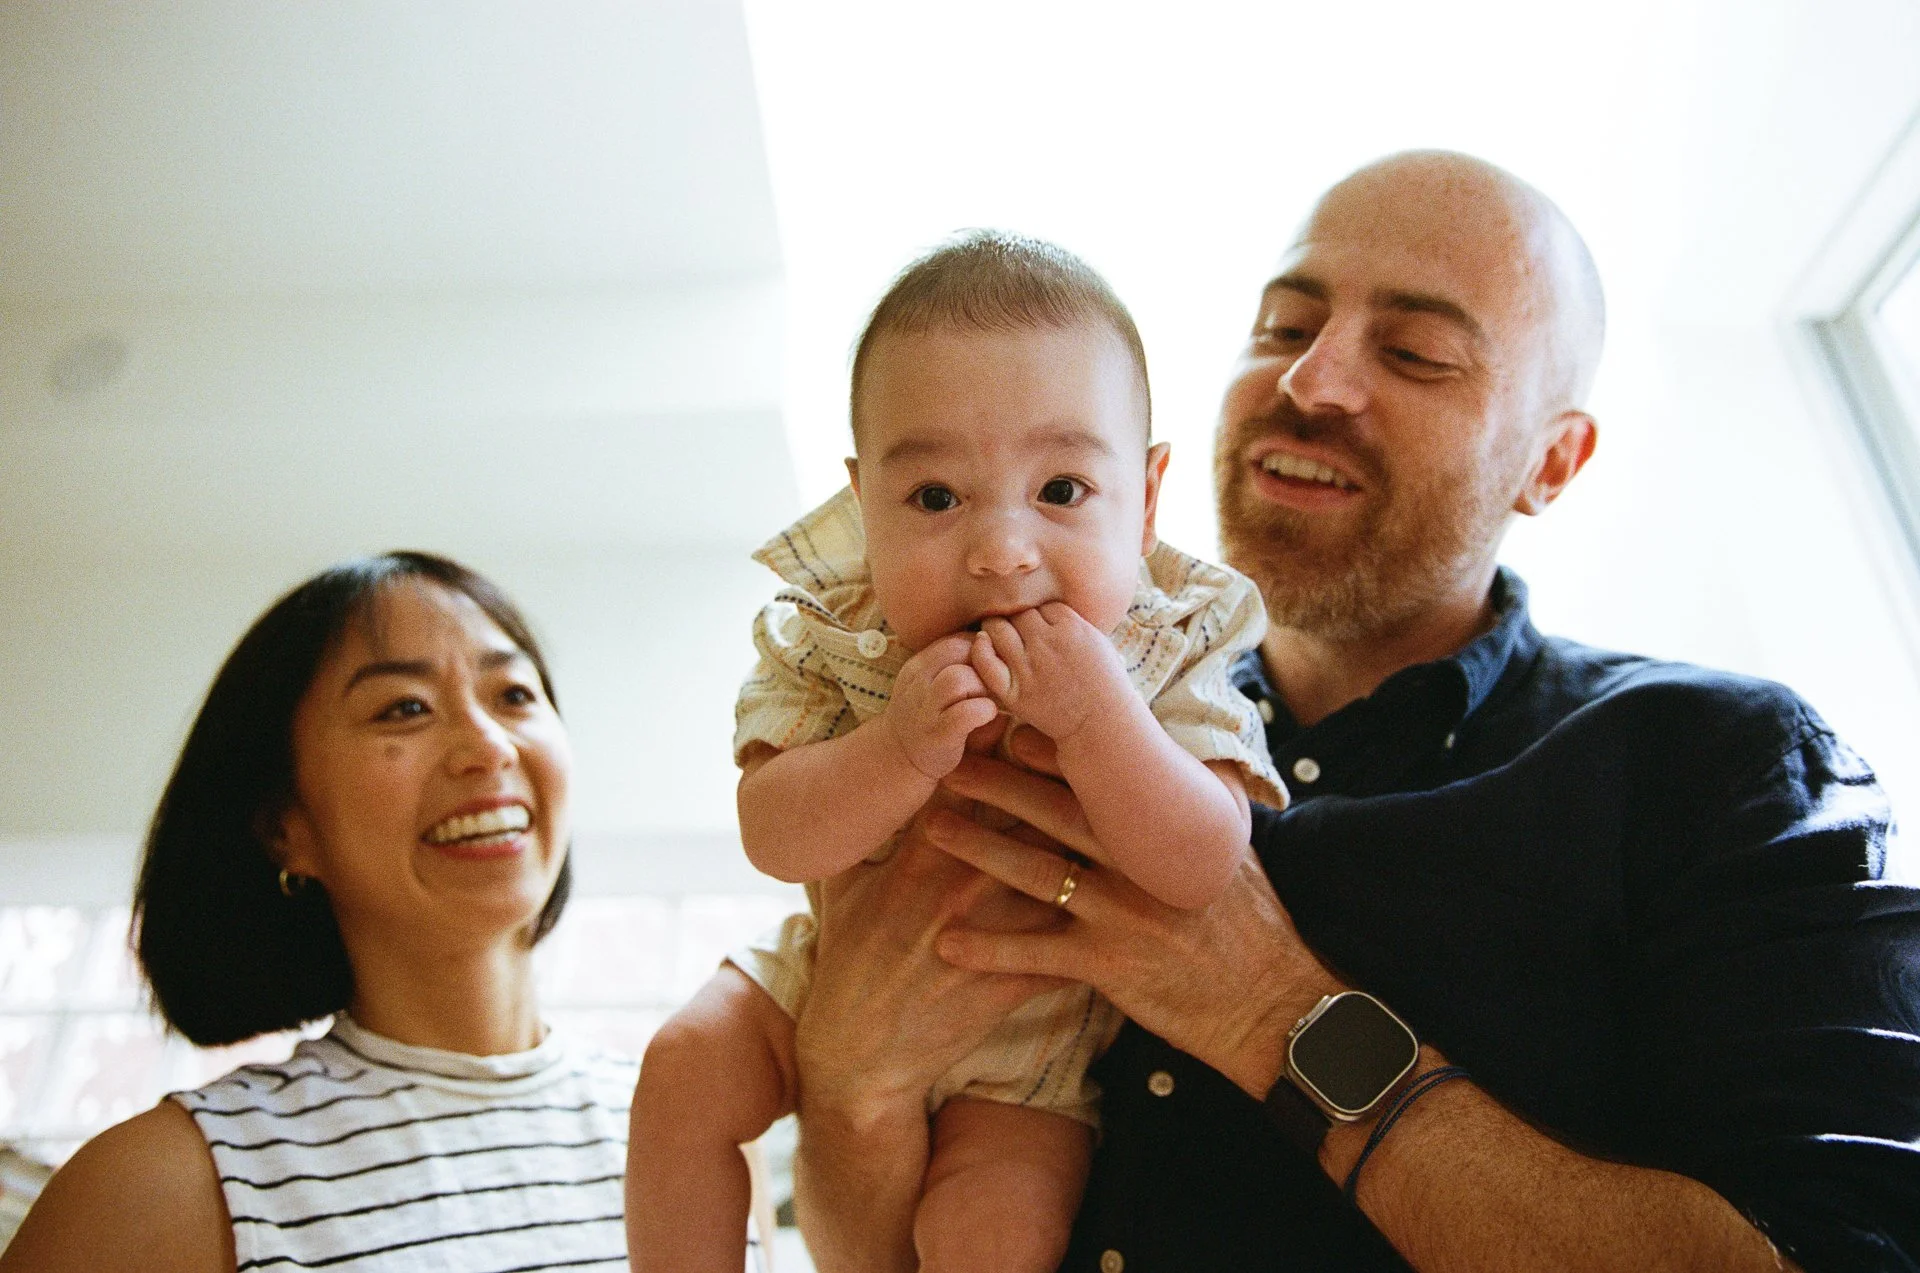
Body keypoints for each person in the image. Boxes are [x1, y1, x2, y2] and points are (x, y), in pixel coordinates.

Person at [785, 152, 1920, 1271]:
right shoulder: (986, 723)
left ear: (1554, 462)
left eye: (1417, 353)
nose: (1311, 380)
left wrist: (1271, 1009)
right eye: (1283, 326)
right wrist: (843, 1076)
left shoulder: (1717, 761)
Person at [627, 233, 1286, 1273]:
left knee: (992, 1235)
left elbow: (1205, 862)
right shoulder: (840, 638)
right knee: (681, 1068)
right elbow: (774, 832)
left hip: (1034, 1053)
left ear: (1148, 500)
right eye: (936, 498)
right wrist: (893, 749)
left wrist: (1101, 723)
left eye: (1061, 489)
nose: (1001, 549)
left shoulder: (1166, 650)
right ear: (864, 506)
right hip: (823, 974)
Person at [0, 552, 638, 1273]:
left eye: (514, 694)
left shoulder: (688, 1124)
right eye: (404, 707)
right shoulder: (165, 1183)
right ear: (285, 827)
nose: (489, 746)